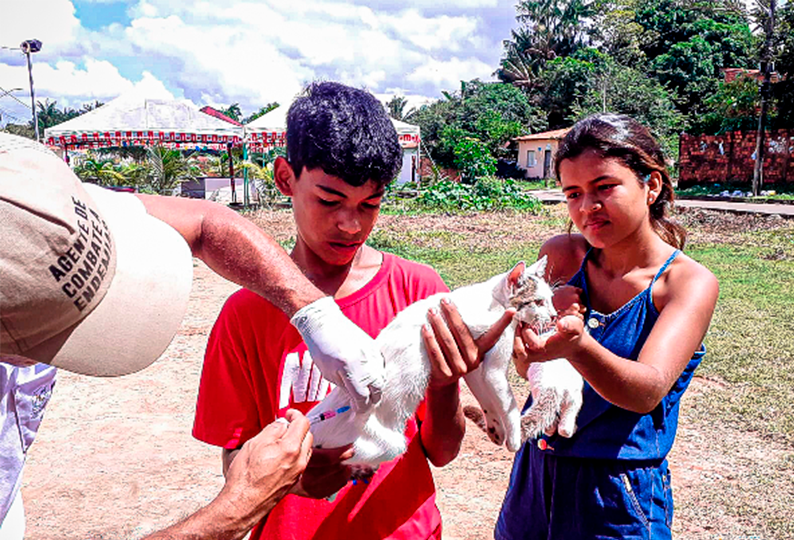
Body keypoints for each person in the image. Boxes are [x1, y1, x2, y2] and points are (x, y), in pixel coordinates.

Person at [0, 131, 390, 539]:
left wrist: (314, 313)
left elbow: (206, 224)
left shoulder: (35, 197)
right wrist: (237, 508)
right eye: (57, 332)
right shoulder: (240, 319)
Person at [192, 81, 514, 540]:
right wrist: (299, 483)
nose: (351, 224)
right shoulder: (246, 313)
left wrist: (443, 386)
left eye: (371, 204)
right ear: (285, 178)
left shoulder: (419, 291)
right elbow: (235, 464)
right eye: (329, 200)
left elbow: (441, 452)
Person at [494, 114, 719, 540]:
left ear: (651, 186)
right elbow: (530, 366)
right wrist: (528, 348)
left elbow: (646, 390)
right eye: (573, 193)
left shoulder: (685, 284)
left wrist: (578, 346)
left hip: (617, 494)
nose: (585, 208)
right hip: (536, 477)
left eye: (604, 188)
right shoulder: (562, 256)